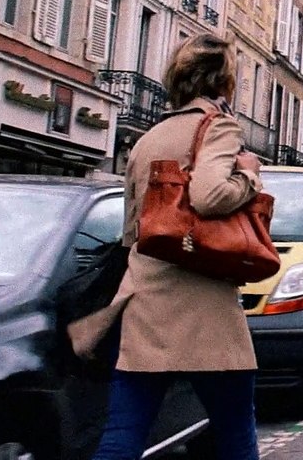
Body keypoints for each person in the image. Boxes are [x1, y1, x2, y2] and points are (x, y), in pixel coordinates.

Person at [70, 34, 263, 460]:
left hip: (146, 307)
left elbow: (130, 230)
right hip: (205, 311)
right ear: (225, 82)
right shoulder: (218, 127)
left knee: (122, 435)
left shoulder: (149, 138)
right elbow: (210, 196)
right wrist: (249, 175)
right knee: (235, 434)